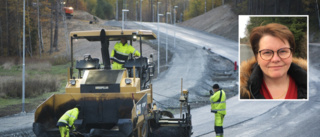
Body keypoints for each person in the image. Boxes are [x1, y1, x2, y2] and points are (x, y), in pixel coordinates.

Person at [240, 23, 307, 99]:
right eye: (267, 52)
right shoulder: (243, 93)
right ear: (257, 57)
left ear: (291, 54)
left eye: (283, 51)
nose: (275, 59)